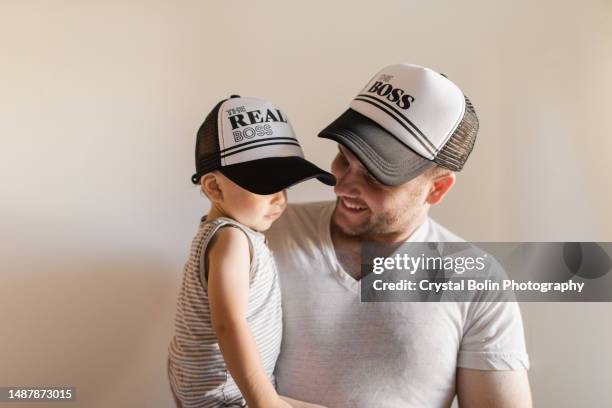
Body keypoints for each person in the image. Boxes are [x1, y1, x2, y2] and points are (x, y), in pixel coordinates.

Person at [266, 64, 532, 407]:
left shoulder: (475, 280)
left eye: (376, 176)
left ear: (437, 189)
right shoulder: (266, 234)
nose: (343, 185)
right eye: (344, 160)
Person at [167, 95, 334, 408]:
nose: (280, 199)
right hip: (228, 394)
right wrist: (264, 401)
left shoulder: (232, 232)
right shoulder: (231, 239)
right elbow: (228, 323)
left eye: (286, 186)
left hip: (227, 388)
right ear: (214, 188)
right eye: (267, 186)